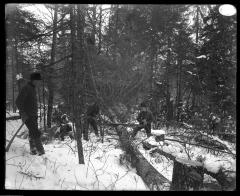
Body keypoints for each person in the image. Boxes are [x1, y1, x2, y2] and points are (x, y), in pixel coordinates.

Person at [15, 72, 45, 155]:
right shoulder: (26, 88)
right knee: (35, 132)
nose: (40, 83)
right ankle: (41, 151)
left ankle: (33, 150)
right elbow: (18, 102)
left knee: (32, 132)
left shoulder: (32, 88)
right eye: (39, 81)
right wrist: (24, 114)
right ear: (34, 80)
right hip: (28, 116)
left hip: (33, 115)